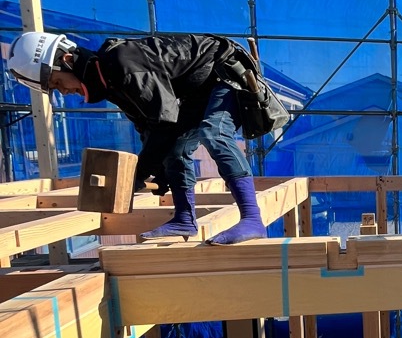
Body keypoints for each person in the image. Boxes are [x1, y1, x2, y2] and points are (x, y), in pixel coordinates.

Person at [8, 30, 268, 245]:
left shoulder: (123, 64)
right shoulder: (110, 81)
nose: (63, 92)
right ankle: (184, 218)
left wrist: (137, 175)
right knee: (175, 151)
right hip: (198, 89)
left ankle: (252, 219)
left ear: (66, 60)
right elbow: (148, 126)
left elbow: (165, 122)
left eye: (57, 82)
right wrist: (161, 170)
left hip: (225, 70)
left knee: (214, 132)